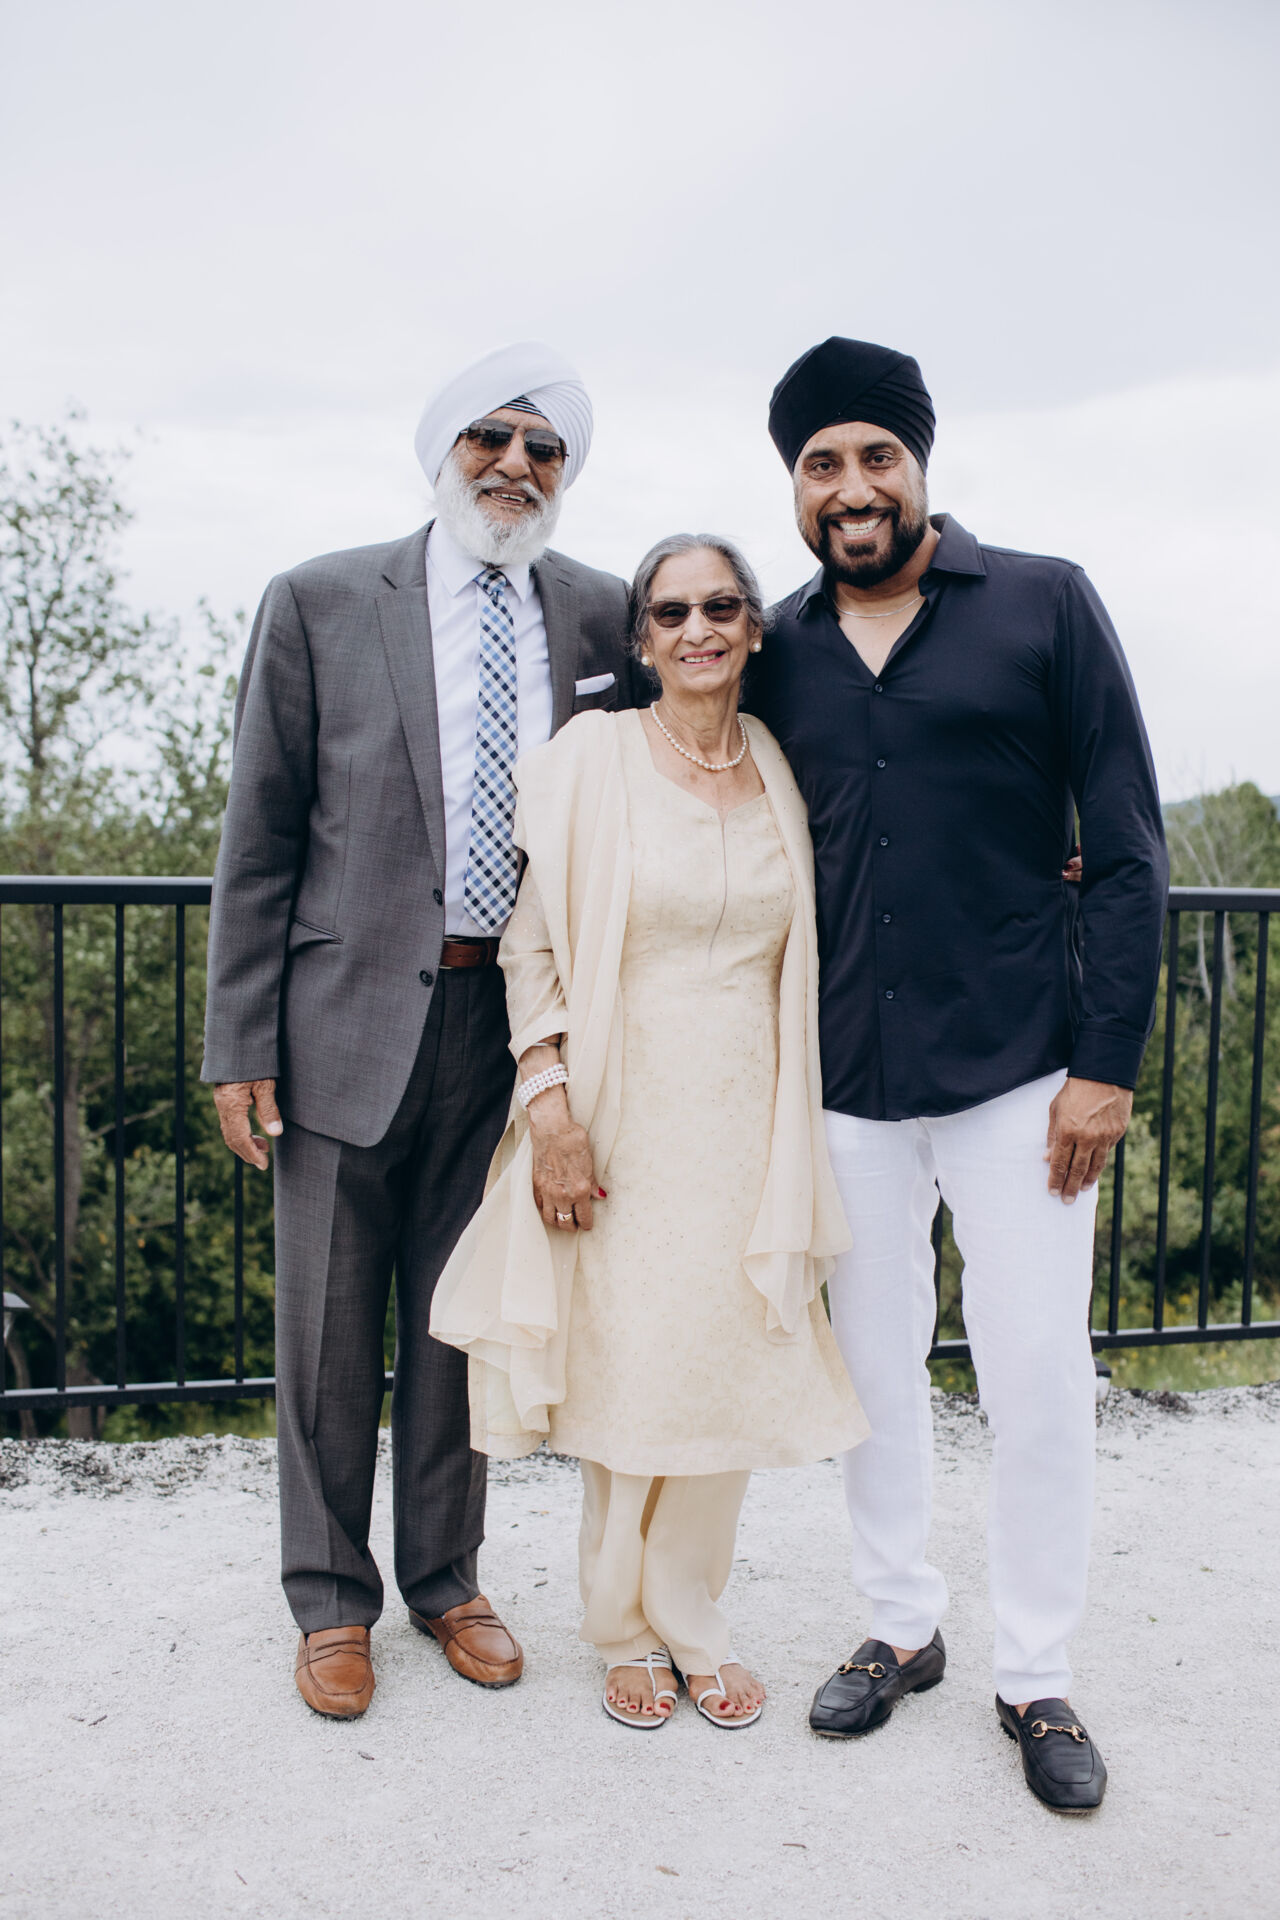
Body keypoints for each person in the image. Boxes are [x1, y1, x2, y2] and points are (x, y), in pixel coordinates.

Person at [746, 336, 1168, 1810]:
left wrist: (1104, 1065)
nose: (850, 486)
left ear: (919, 462)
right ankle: (899, 1624)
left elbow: (1127, 851)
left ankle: (1035, 1674)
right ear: (794, 485)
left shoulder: (1044, 604)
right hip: (842, 1082)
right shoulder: (774, 646)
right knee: (870, 1373)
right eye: (820, 463)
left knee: (1036, 1374)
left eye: (876, 455)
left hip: (1020, 1077)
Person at [202, 342, 644, 1719]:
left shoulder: (603, 613)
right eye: (489, 438)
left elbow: (691, 739)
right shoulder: (322, 600)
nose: (515, 465)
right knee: (328, 1335)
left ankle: (447, 1579)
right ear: (443, 449)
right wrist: (238, 1038)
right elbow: (259, 836)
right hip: (340, 1021)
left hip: (514, 1028)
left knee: (465, 1326)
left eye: (543, 448)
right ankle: (330, 1601)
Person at [430, 535, 867, 1728]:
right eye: (669, 613)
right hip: (623, 1105)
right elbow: (529, 945)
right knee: (633, 1367)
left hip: (752, 1114)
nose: (696, 630)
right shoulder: (593, 757)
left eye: (719, 606)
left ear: (753, 627)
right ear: (640, 640)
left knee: (723, 1365)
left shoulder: (776, 761)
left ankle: (692, 1617)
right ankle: (620, 1626)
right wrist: (550, 1104)